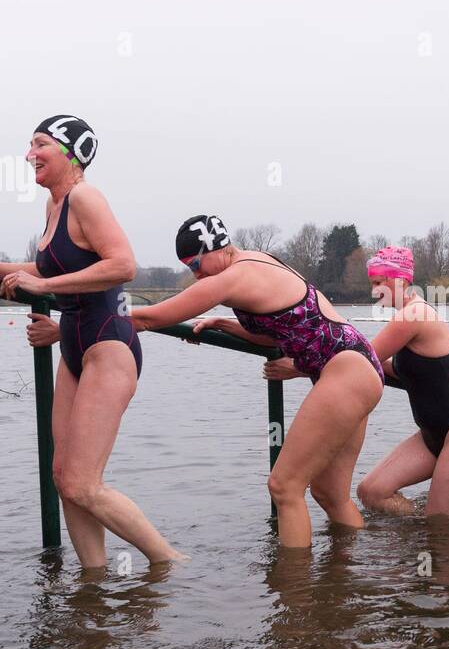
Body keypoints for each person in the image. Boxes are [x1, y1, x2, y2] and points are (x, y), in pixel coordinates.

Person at [0, 116, 182, 569]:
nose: (29, 154)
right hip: (72, 343)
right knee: (63, 477)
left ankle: (168, 562)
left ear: (71, 154)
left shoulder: (86, 197)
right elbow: (47, 272)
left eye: (40, 144)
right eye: (29, 144)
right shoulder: (54, 207)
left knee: (83, 482)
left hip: (108, 342)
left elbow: (123, 265)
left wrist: (45, 290)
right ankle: (93, 580)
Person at [132, 215, 383, 548]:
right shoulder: (258, 262)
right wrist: (224, 324)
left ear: (215, 247)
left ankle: (294, 592)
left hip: (345, 370)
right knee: (329, 494)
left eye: (195, 263)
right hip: (356, 366)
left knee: (285, 487)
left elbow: (149, 317)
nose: (196, 274)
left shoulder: (233, 277)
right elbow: (279, 332)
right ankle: (346, 580)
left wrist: (71, 325)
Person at [356, 247, 449, 516]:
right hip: (431, 433)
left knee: (439, 523)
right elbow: (391, 369)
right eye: (373, 284)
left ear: (401, 281)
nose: (375, 291)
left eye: (380, 283)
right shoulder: (407, 315)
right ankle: (417, 534)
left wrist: (299, 365)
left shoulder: (413, 315)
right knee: (371, 492)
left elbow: (362, 359)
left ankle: (448, 548)